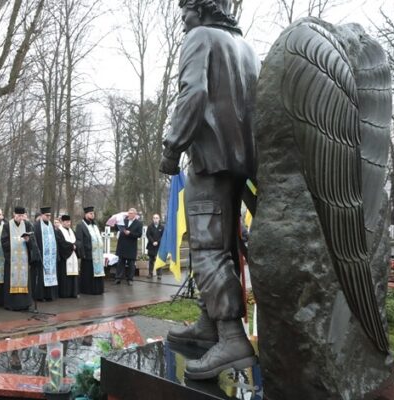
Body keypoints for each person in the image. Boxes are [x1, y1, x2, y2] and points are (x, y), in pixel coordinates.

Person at [158, 0, 259, 379]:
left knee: (207, 250)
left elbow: (194, 93)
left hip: (210, 158)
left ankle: (231, 337)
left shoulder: (199, 37)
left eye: (185, 10)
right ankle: (209, 323)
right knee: (226, 247)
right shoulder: (246, 48)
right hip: (242, 164)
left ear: (201, 9)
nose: (182, 20)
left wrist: (172, 146)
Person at [2, 206, 39, 310]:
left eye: (22, 215)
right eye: (18, 215)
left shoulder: (27, 224)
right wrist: (17, 240)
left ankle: (25, 303)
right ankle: (11, 304)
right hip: (12, 259)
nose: (20, 218)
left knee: (25, 280)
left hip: (24, 259)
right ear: (14, 214)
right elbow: (4, 242)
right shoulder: (7, 225)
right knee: (11, 281)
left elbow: (32, 240)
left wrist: (28, 240)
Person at [76, 207, 105, 295]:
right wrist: (82, 253)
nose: (92, 215)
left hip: (97, 254)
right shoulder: (81, 225)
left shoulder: (95, 225)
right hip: (88, 254)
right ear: (86, 214)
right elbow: (79, 240)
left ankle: (98, 289)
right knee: (88, 273)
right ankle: (88, 290)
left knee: (96, 273)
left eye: (93, 213)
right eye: (90, 213)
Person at [34, 206, 59, 301]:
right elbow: (35, 240)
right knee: (41, 276)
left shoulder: (51, 226)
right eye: (47, 215)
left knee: (51, 274)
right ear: (42, 215)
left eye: (50, 215)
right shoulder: (36, 225)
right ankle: (41, 296)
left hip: (51, 256)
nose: (49, 217)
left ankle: (50, 295)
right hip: (42, 256)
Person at [115, 208, 142, 285]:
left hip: (131, 246)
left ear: (135, 214)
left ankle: (130, 279)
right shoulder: (123, 221)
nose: (129, 214)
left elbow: (139, 235)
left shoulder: (138, 223)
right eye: (129, 213)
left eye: (131, 213)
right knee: (120, 262)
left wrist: (130, 233)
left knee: (131, 264)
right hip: (122, 245)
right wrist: (117, 224)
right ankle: (118, 278)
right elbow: (117, 229)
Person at [55, 215, 79, 298]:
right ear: (62, 222)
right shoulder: (59, 231)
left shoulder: (72, 231)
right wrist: (71, 246)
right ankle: (65, 293)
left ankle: (73, 292)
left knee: (73, 275)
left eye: (69, 222)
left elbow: (77, 241)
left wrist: (75, 245)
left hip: (73, 255)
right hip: (65, 258)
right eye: (66, 222)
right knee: (64, 276)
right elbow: (61, 243)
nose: (68, 223)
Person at [146, 214, 164, 279]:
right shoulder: (150, 226)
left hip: (159, 246)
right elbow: (148, 235)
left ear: (159, 219)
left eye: (157, 218)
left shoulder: (162, 227)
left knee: (159, 260)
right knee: (151, 260)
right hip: (151, 245)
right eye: (154, 218)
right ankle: (150, 273)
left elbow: (163, 236)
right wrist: (153, 241)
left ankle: (159, 274)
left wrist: (157, 242)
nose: (155, 219)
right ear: (153, 219)